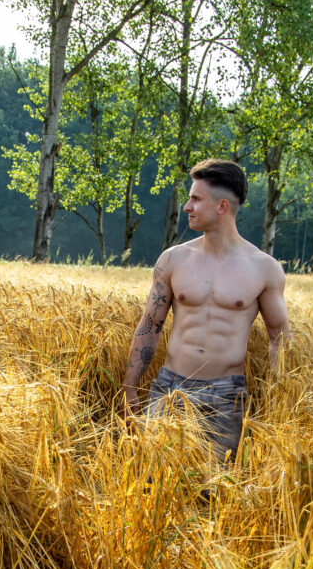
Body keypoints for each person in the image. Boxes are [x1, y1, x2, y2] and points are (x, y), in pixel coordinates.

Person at [121, 160, 290, 462]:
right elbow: (150, 324)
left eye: (196, 199)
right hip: (170, 388)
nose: (187, 207)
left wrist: (281, 400)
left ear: (222, 206)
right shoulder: (173, 260)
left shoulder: (264, 268)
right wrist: (129, 387)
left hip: (226, 396)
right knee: (149, 478)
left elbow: (280, 338)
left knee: (216, 485)